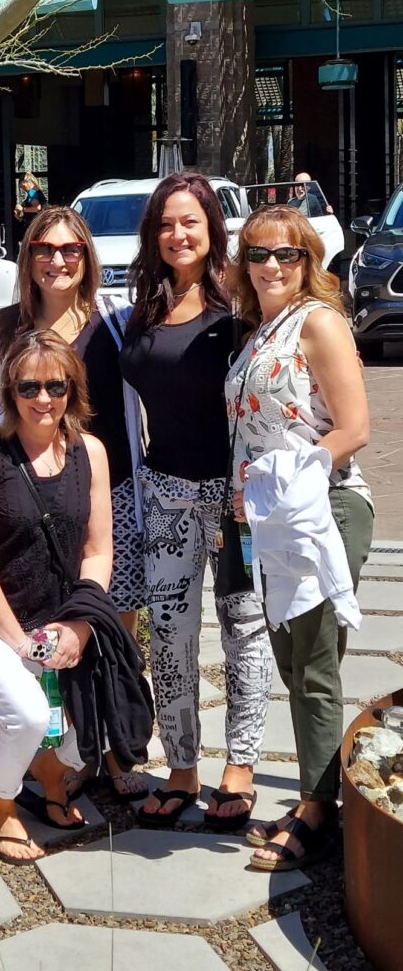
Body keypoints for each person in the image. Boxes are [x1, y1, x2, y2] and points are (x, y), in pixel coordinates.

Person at [0, 206, 149, 802]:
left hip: (109, 490)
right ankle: (57, 753)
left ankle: (114, 745)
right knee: (44, 626)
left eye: (71, 249)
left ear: (88, 257)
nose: (58, 259)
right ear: (28, 259)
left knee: (108, 621)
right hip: (29, 496)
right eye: (45, 249)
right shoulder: (0, 329)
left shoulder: (115, 322)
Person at [119, 172, 273, 829]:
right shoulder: (145, 306)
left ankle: (240, 766)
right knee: (172, 638)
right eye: (165, 223)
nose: (178, 234)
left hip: (232, 500)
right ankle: (183, 767)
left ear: (213, 228)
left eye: (191, 221)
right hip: (164, 493)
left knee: (244, 630)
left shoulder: (241, 308)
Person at [225, 206, 373, 871]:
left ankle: (319, 814)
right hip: (270, 524)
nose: (273, 266)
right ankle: (319, 793)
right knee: (291, 661)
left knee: (313, 667)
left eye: (289, 254)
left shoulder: (319, 322)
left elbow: (353, 428)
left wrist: (281, 482)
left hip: (322, 512)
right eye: (259, 254)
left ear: (309, 261)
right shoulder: (260, 330)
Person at [0, 330, 113, 862]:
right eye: (29, 385)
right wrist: (21, 644)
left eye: (56, 385)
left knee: (92, 722)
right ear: (9, 390)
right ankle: (0, 811)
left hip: (53, 615)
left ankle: (48, 769)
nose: (43, 398)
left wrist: (79, 625)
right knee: (29, 714)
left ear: (72, 389)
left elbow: (98, 551)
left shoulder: (90, 452)